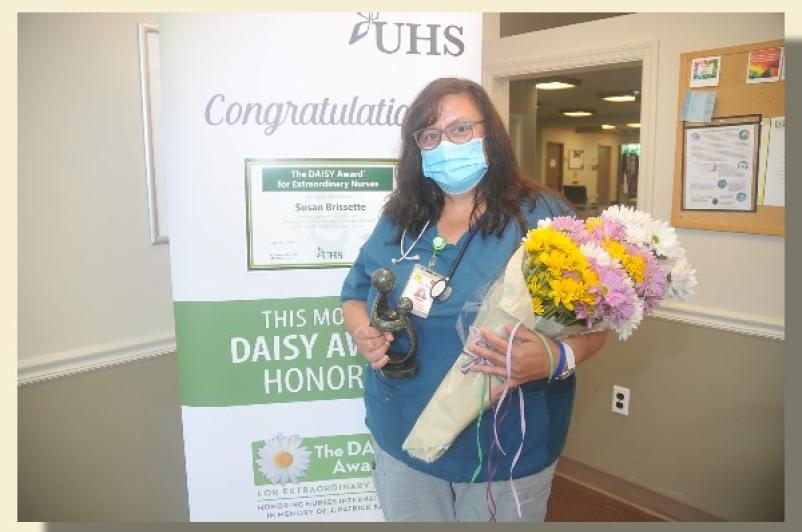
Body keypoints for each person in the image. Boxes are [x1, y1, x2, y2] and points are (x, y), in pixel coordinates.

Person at [340, 77, 609, 522]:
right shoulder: (401, 217)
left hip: (503, 449)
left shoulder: (542, 216)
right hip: (402, 433)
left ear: (491, 134)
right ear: (417, 148)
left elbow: (601, 321)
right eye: (430, 135)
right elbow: (354, 293)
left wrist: (557, 358)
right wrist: (362, 331)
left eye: (461, 129)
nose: (446, 144)